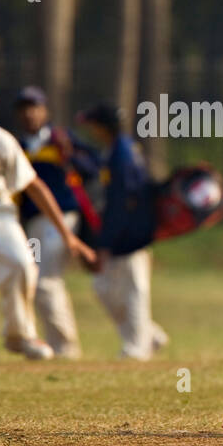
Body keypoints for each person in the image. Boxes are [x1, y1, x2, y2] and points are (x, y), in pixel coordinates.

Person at [0, 78, 96, 359]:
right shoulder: (22, 142)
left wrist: (70, 235)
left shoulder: (6, 141)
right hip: (29, 222)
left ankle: (36, 339)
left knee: (29, 268)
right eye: (23, 107)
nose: (28, 113)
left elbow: (38, 185)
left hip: (7, 217)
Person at [80, 104, 168, 360]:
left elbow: (123, 202)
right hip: (123, 234)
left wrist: (106, 241)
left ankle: (137, 348)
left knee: (134, 290)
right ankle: (148, 334)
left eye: (92, 125)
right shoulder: (117, 149)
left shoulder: (123, 153)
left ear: (102, 126)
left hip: (131, 235)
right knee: (104, 288)